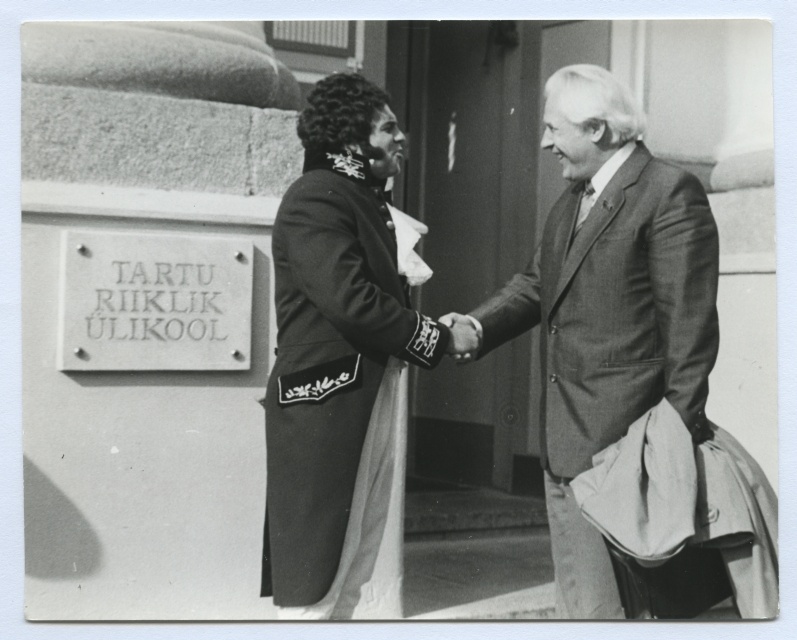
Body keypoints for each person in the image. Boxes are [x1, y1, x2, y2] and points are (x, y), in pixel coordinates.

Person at [442, 64, 720, 619]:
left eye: (553, 129)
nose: (545, 143)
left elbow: (690, 335)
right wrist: (474, 326)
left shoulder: (668, 192)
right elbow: (538, 282)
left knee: (622, 611)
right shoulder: (574, 197)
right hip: (566, 440)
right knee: (584, 603)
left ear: (596, 129)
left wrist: (665, 449)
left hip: (627, 450)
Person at [260, 72, 478, 620]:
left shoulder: (357, 199)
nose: (401, 138)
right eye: (388, 129)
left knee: (353, 567)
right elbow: (352, 302)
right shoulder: (317, 197)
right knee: (316, 579)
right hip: (326, 401)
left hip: (365, 390)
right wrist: (440, 337)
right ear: (352, 142)